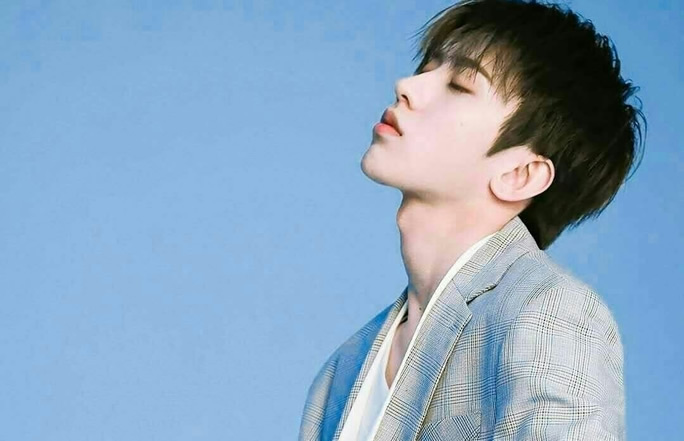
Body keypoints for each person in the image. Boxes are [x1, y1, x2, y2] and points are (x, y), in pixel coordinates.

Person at [298, 0, 645, 440]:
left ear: (520, 174)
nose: (407, 85)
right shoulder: (343, 370)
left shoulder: (550, 312)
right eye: (426, 67)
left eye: (460, 85)